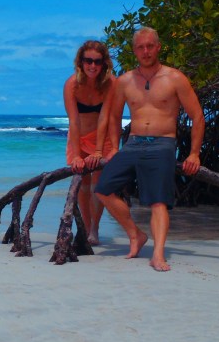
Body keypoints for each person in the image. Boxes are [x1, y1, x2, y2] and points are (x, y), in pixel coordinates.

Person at [94, 27, 205, 271]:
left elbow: (197, 116)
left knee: (158, 201)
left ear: (158, 47)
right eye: (141, 47)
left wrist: (194, 153)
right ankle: (135, 234)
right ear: (134, 51)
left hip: (162, 143)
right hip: (133, 143)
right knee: (103, 189)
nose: (146, 51)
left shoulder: (175, 78)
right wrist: (114, 147)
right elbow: (114, 116)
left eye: (150, 46)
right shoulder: (124, 81)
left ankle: (158, 255)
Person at [63, 40, 117, 245]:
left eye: (97, 61)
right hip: (79, 137)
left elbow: (105, 117)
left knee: (97, 185)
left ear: (104, 63)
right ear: (81, 62)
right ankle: (85, 228)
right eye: (88, 61)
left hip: (102, 139)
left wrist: (99, 151)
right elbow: (74, 121)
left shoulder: (110, 83)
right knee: (82, 184)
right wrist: (77, 155)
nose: (93, 66)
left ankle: (95, 228)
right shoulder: (72, 85)